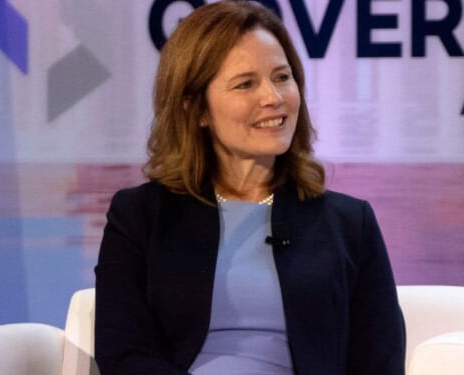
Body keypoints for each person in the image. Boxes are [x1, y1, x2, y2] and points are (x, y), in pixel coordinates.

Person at [94, 1, 405, 374]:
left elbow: (379, 361)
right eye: (246, 84)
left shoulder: (351, 223)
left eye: (282, 77)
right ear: (197, 110)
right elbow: (122, 352)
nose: (273, 98)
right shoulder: (139, 216)